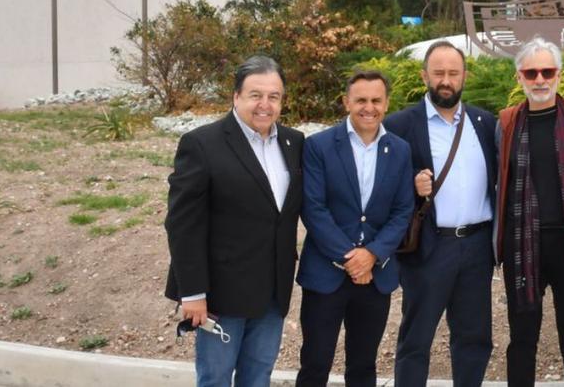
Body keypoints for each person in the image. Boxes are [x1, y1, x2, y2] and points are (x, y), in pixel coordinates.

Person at [164, 55, 304, 387]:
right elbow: (183, 225)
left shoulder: (293, 142)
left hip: (272, 290)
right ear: (236, 96)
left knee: (258, 378)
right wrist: (192, 292)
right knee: (215, 379)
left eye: (274, 96)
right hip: (220, 295)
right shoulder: (201, 144)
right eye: (256, 95)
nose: (265, 105)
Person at [383, 41, 498, 387]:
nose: (445, 80)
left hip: (477, 247)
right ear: (424, 76)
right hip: (429, 248)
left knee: (475, 340)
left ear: (464, 76)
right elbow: (382, 188)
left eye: (453, 73)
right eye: (438, 73)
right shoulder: (400, 124)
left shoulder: (484, 122)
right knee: (416, 340)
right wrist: (410, 187)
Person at [494, 37, 564, 386]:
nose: (540, 79)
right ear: (519, 78)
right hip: (523, 245)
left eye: (547, 71)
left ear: (559, 74)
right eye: (531, 72)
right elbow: (500, 182)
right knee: (522, 337)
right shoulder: (508, 122)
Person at [295, 70, 414, 387]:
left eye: (376, 100)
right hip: (326, 274)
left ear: (386, 103)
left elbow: (403, 210)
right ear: (346, 101)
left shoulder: (400, 150)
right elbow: (314, 209)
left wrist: (372, 255)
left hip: (375, 277)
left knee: (363, 367)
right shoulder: (319, 146)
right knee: (315, 364)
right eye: (361, 100)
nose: (369, 107)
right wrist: (351, 258)